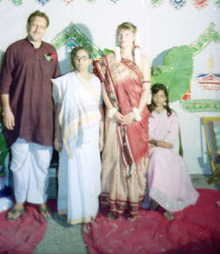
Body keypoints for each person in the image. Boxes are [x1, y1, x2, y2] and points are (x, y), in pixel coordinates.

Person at [0, 10, 60, 221]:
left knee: (42, 161)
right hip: (20, 117)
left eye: (41, 26)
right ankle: (20, 201)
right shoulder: (14, 50)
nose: (37, 29)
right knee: (19, 162)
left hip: (44, 119)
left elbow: (57, 85)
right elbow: (4, 84)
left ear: (46, 29)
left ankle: (40, 199)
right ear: (28, 25)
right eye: (34, 24)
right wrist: (7, 110)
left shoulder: (51, 51)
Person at [94, 22, 151, 221]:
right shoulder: (108, 61)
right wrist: (112, 110)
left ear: (134, 37)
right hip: (115, 118)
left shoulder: (142, 60)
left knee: (133, 162)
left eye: (126, 34)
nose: (122, 38)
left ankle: (132, 205)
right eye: (120, 34)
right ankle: (114, 205)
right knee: (114, 160)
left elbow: (145, 89)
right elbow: (103, 86)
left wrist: (136, 113)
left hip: (136, 118)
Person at [52, 46, 104, 225]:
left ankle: (89, 211)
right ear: (72, 61)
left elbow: (99, 109)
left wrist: (102, 136)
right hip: (70, 135)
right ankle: (71, 210)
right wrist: (56, 135)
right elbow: (58, 109)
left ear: (90, 60)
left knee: (90, 171)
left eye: (84, 58)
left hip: (91, 134)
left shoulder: (97, 82)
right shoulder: (64, 81)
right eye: (77, 58)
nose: (81, 62)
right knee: (71, 171)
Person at [147, 83, 199, 220]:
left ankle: (166, 204)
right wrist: (156, 143)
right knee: (157, 157)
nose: (158, 99)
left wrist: (162, 144)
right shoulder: (146, 112)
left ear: (166, 98)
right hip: (150, 148)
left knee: (178, 162)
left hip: (166, 148)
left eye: (162, 96)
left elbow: (171, 136)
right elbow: (145, 134)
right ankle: (154, 198)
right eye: (155, 95)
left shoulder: (171, 114)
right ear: (151, 96)